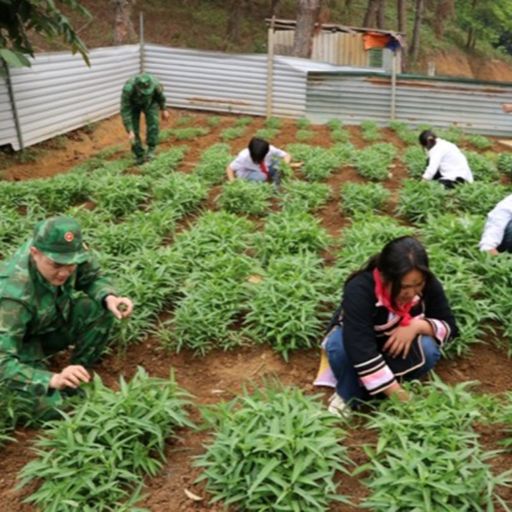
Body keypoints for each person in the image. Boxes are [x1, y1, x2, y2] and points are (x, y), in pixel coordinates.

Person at [0, 216, 133, 420]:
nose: (64, 272)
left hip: (47, 323)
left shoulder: (66, 253)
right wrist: (51, 379)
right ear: (35, 253)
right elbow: (2, 361)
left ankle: (79, 374)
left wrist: (109, 297)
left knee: (100, 309)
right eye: (56, 265)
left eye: (71, 265)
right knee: (55, 409)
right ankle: (52, 376)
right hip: (18, 344)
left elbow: (92, 277)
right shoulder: (12, 296)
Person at [315, 236, 458, 416]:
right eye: (403, 286)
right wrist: (399, 396)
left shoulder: (428, 284)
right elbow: (361, 349)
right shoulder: (360, 289)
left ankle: (375, 389)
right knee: (339, 346)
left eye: (418, 285)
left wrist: (416, 326)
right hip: (358, 347)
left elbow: (451, 327)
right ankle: (349, 394)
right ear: (384, 277)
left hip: (394, 349)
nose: (411, 292)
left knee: (428, 349)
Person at [121, 72, 169, 165]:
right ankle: (139, 155)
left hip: (151, 103)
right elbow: (125, 110)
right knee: (133, 131)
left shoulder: (155, 84)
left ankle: (151, 151)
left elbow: (160, 97)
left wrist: (164, 109)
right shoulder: (128, 89)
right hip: (133, 106)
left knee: (153, 125)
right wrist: (129, 129)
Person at [226, 137, 291, 186]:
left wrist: (284, 165)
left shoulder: (269, 149)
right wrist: (233, 182)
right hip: (248, 172)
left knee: (278, 164)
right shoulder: (243, 157)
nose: (259, 160)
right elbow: (230, 168)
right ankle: (251, 185)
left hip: (265, 168)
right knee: (262, 176)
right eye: (256, 158)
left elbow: (287, 155)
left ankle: (275, 182)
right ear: (250, 151)